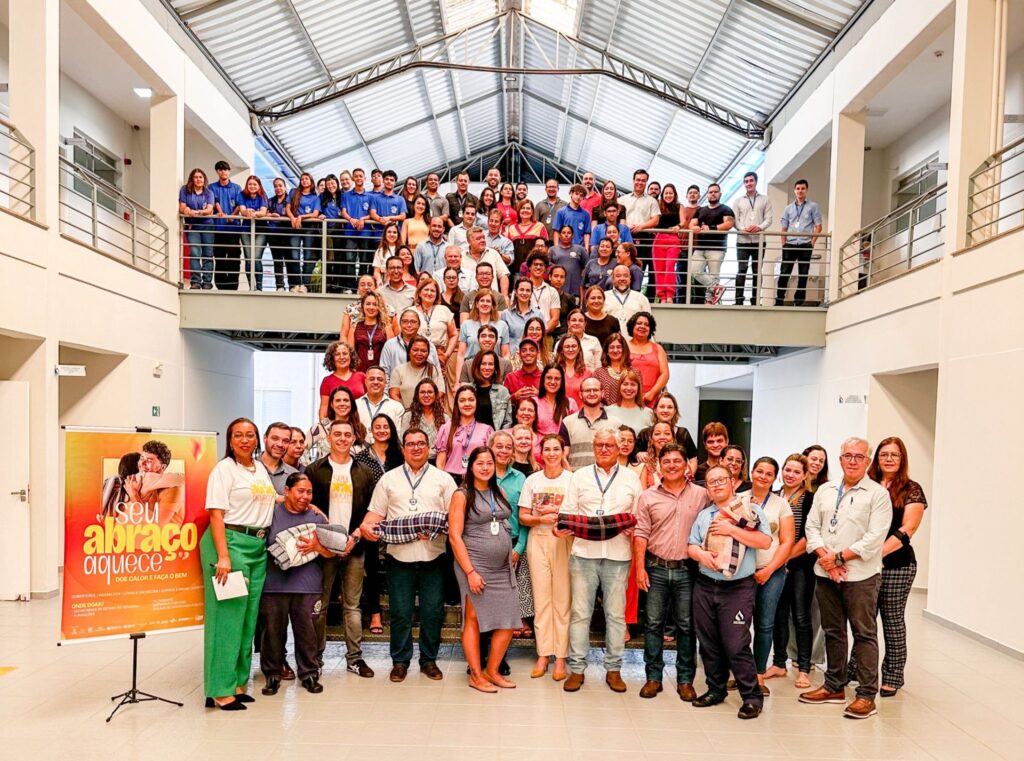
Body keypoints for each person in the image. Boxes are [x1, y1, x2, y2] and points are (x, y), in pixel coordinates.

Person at [800, 437, 892, 719]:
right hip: (825, 572)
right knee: (833, 631)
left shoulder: (877, 495)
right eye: (847, 455)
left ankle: (866, 695)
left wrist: (838, 558)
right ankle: (834, 686)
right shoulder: (826, 490)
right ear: (839, 459)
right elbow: (811, 527)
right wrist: (825, 559)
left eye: (859, 457)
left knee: (864, 633)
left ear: (867, 461)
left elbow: (874, 539)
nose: (852, 461)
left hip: (860, 577)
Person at [361, 428, 457, 683]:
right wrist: (365, 529)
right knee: (401, 611)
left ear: (429, 448)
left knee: (432, 611)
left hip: (433, 555)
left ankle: (428, 660)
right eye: (411, 444)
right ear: (403, 448)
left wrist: (438, 529)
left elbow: (455, 519)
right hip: (398, 557)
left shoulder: (443, 479)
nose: (416, 448)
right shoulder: (388, 479)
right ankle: (400, 662)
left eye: (421, 444)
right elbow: (373, 517)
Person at [201, 418, 276, 710]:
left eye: (250, 435)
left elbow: (264, 499)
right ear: (230, 441)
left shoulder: (258, 469)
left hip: (257, 547)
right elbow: (216, 514)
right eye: (238, 436)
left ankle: (237, 682)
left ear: (257, 439)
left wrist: (296, 502)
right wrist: (223, 556)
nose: (245, 440)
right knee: (227, 619)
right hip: (230, 544)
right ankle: (219, 689)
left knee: (247, 620)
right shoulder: (224, 470)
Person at [687, 465, 772, 719]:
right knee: (709, 643)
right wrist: (701, 554)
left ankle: (752, 697)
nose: (716, 484)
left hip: (737, 588)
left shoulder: (750, 511)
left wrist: (731, 529)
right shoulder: (704, 516)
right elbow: (691, 545)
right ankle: (716, 689)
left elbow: (765, 542)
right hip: (705, 585)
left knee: (736, 644)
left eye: (721, 480)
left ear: (733, 482)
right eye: (711, 482)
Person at [562, 429, 642, 693]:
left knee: (616, 616)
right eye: (599, 445)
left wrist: (632, 526)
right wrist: (561, 527)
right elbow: (569, 514)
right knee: (580, 614)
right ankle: (576, 669)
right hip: (583, 554)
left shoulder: (632, 478)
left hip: (618, 555)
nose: (604, 449)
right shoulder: (579, 476)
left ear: (620, 448)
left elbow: (637, 516)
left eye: (609, 445)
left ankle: (614, 669)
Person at [850, 437, 927, 698]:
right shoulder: (865, 486)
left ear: (902, 458)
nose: (889, 459)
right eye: (884, 454)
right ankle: (857, 670)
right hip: (863, 564)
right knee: (863, 621)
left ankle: (893, 676)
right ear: (876, 458)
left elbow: (909, 529)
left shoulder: (912, 489)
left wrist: (874, 552)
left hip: (897, 565)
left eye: (894, 455)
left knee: (892, 621)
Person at [634, 443, 710, 701]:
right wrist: (639, 567)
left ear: (686, 464)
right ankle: (653, 678)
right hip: (655, 567)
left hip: (687, 570)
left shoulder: (702, 495)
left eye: (677, 461)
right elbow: (640, 533)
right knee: (653, 625)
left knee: (687, 626)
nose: (672, 465)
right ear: (660, 465)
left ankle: (685, 680)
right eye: (666, 461)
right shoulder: (647, 496)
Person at [305, 420, 376, 680]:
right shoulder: (314, 470)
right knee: (319, 605)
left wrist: (355, 539)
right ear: (329, 437)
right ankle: (315, 659)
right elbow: (306, 506)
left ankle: (354, 659)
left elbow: (372, 510)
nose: (343, 439)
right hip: (322, 549)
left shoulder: (364, 472)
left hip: (354, 548)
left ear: (354, 438)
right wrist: (318, 541)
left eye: (348, 434)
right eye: (338, 434)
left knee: (353, 606)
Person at [449, 446, 519, 692]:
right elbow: (455, 537)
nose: (486, 467)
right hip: (474, 565)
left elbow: (504, 522)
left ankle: (492, 670)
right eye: (480, 463)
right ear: (471, 466)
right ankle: (476, 675)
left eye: (490, 463)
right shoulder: (461, 494)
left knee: (509, 620)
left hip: (502, 567)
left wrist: (507, 546)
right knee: (473, 620)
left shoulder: (497, 490)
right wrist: (470, 572)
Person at [259, 473, 332, 696]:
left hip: (307, 585)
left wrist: (317, 548)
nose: (305, 496)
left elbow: (332, 552)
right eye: (300, 491)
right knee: (272, 632)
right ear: (287, 491)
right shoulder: (270, 515)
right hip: (274, 585)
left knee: (307, 632)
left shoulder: (317, 517)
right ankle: (272, 674)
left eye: (309, 492)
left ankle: (309, 673)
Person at [519, 434, 573, 680]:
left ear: (564, 452)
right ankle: (543, 654)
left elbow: (579, 515)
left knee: (562, 600)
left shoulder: (573, 481)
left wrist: (557, 513)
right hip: (538, 540)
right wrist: (541, 517)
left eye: (556, 449)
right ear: (541, 452)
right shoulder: (532, 480)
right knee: (542, 600)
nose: (551, 453)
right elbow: (523, 517)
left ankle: (560, 657)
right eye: (547, 449)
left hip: (563, 540)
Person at [765, 453, 816, 689]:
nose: (790, 475)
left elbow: (809, 536)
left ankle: (804, 667)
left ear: (805, 475)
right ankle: (778, 663)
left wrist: (784, 557)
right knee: (777, 615)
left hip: (799, 565)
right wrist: (776, 560)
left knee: (800, 616)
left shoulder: (810, 500)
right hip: (776, 563)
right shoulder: (772, 497)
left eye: (796, 471)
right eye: (787, 469)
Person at [748, 456, 794, 695]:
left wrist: (768, 570)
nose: (763, 476)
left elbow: (787, 542)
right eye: (759, 471)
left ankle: (758, 676)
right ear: (751, 472)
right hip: (742, 574)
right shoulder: (739, 499)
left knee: (765, 625)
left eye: (768, 474)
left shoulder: (781, 504)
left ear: (773, 478)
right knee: (740, 626)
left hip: (772, 572)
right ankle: (741, 673)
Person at [491, 431, 531, 639]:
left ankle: (505, 646)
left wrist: (519, 548)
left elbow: (525, 517)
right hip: (487, 544)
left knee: (512, 593)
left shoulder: (520, 478)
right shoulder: (481, 474)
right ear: (490, 448)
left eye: (508, 447)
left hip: (513, 541)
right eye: (499, 446)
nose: (504, 450)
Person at [777, 178, 823, 307]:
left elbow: (818, 226)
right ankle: (779, 299)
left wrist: (812, 243)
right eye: (798, 189)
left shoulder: (813, 206)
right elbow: (783, 228)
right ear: (794, 191)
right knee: (784, 273)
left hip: (805, 244)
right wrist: (783, 244)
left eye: (802, 188)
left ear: (806, 190)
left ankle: (799, 301)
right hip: (790, 244)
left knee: (803, 274)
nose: (800, 191)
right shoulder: (788, 208)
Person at [558, 377, 621, 470]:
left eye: (595, 390)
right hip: (577, 479)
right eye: (587, 390)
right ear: (580, 394)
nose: (592, 393)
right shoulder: (568, 422)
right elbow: (562, 455)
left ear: (602, 393)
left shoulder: (616, 423)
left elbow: (620, 455)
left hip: (606, 479)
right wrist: (571, 476)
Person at [436, 385, 496, 482]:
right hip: (451, 479)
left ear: (477, 402)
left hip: (478, 480)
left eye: (471, 400)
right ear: (457, 404)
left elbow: (491, 461)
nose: (467, 404)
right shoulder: (446, 428)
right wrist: (443, 482)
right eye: (462, 400)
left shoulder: (487, 430)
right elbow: (440, 462)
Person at [688, 182, 735, 305]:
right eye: (710, 192)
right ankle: (716, 287)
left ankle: (709, 301)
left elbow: (728, 224)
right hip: (700, 247)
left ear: (720, 194)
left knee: (714, 274)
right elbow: (691, 224)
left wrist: (712, 228)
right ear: (707, 195)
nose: (713, 194)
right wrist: (695, 228)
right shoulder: (701, 210)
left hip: (717, 248)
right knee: (694, 270)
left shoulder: (726, 209)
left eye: (715, 192)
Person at [733, 171, 773, 306]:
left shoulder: (765, 199)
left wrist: (759, 227)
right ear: (744, 184)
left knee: (757, 271)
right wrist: (743, 228)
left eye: (751, 181)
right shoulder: (738, 201)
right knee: (742, 270)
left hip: (759, 241)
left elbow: (769, 219)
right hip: (742, 240)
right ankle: (738, 300)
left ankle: (755, 301)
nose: (749, 183)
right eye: (746, 181)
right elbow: (735, 220)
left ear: (755, 182)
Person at [619, 169, 661, 298]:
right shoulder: (622, 199)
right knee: (624, 266)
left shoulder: (652, 201)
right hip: (626, 237)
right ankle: (623, 294)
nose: (640, 182)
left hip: (644, 237)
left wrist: (641, 226)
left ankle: (641, 297)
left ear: (646, 182)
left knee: (641, 267)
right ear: (633, 181)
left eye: (643, 180)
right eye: (638, 180)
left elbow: (655, 220)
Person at [455, 291, 510, 383]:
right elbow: (461, 355)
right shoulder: (466, 324)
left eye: (488, 301)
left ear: (493, 305)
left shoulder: (502, 325)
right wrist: (458, 381)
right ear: (476, 304)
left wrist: (503, 377)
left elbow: (505, 354)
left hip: (493, 369)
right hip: (471, 368)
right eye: (482, 301)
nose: (485, 304)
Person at [209, 160, 245, 291]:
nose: (223, 172)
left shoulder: (237, 188)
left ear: (229, 171)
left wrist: (231, 216)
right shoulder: (212, 187)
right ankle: (221, 286)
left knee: (234, 259)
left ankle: (233, 286)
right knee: (219, 258)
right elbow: (214, 201)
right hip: (218, 229)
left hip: (234, 229)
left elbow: (239, 204)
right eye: (220, 169)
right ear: (217, 172)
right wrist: (220, 212)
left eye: (225, 169)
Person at [307, 386, 366, 466]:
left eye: (346, 400)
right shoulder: (320, 427)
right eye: (338, 400)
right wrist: (309, 468)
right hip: (324, 476)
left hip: (354, 476)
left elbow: (369, 455)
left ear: (351, 404)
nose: (342, 404)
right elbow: (302, 448)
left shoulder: (360, 429)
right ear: (331, 404)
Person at [285, 171, 323, 293]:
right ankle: (296, 284)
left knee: (307, 257)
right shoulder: (293, 192)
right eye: (302, 179)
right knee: (294, 256)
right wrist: (292, 218)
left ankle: (304, 285)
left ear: (311, 182)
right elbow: (287, 208)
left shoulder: (314, 198)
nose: (304, 181)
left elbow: (315, 213)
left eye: (307, 179)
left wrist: (301, 217)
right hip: (295, 228)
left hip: (308, 229)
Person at [180, 168, 216, 290]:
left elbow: (209, 210)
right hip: (193, 226)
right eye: (196, 177)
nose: (198, 179)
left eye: (201, 177)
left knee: (207, 254)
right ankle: (195, 282)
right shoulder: (185, 190)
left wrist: (197, 212)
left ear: (204, 179)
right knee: (194, 253)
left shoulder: (209, 193)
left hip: (207, 226)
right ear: (192, 179)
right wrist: (187, 210)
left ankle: (207, 282)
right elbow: (182, 207)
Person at [412, 279, 457, 374]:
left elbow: (454, 334)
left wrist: (447, 354)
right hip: (417, 354)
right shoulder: (411, 312)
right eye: (426, 289)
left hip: (439, 355)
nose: (429, 293)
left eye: (433, 291)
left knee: (438, 386)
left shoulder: (444, 310)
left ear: (437, 294)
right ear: (419, 292)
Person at [380, 309, 440, 380]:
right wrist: (387, 391)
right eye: (405, 321)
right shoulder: (390, 345)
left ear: (419, 324)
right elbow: (384, 373)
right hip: (397, 388)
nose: (409, 325)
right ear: (400, 324)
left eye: (413, 322)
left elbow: (437, 372)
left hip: (423, 389)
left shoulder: (429, 345)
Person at [389, 334, 446, 407]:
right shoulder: (398, 370)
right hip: (404, 413)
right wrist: (406, 412)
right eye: (415, 350)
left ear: (428, 353)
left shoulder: (433, 370)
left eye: (423, 351)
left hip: (428, 413)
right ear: (409, 352)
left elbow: (440, 393)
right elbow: (394, 395)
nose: (419, 353)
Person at [399, 378, 448, 463]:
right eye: (422, 392)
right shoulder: (408, 417)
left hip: (439, 463)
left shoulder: (445, 418)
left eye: (429, 392)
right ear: (417, 395)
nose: (426, 395)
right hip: (414, 461)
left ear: (435, 394)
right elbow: (403, 442)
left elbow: (447, 445)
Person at [625, 312, 669, 407]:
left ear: (650, 329)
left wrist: (652, 393)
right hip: (628, 398)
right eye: (639, 323)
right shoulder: (624, 347)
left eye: (646, 324)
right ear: (632, 326)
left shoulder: (658, 348)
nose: (642, 326)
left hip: (652, 400)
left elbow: (665, 374)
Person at [341, 167, 376, 284]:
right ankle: (350, 286)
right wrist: (350, 219)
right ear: (352, 178)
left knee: (364, 260)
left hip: (365, 233)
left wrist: (363, 219)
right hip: (350, 233)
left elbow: (372, 214)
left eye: (361, 176)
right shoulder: (346, 195)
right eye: (356, 176)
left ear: (365, 178)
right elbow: (343, 211)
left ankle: (362, 286)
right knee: (349, 259)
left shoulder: (371, 197)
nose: (358, 178)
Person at [235, 175, 269, 291]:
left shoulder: (263, 196)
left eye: (255, 184)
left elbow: (263, 212)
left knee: (256, 258)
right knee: (249, 259)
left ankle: (259, 287)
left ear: (259, 186)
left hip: (261, 230)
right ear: (247, 185)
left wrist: (255, 213)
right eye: (250, 184)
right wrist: (247, 211)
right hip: (245, 230)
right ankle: (251, 287)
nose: (252, 186)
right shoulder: (242, 195)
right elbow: (242, 210)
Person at [651, 184, 684, 303]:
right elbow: (653, 220)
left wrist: (678, 226)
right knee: (658, 269)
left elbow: (683, 221)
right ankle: (662, 297)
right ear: (662, 194)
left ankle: (670, 295)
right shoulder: (658, 205)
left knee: (669, 267)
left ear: (674, 194)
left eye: (671, 193)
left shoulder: (679, 206)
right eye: (666, 193)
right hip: (659, 239)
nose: (668, 195)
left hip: (673, 239)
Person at [355, 366, 405, 443]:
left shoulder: (397, 407)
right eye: (372, 379)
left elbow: (398, 436)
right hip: (359, 450)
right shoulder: (355, 405)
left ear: (385, 383)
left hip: (388, 452)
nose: (375, 382)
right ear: (365, 382)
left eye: (380, 379)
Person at [319, 341, 365, 420]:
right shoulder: (327, 381)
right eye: (337, 354)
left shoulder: (362, 377)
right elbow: (323, 412)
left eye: (345, 353)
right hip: (338, 426)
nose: (342, 357)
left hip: (360, 423)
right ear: (332, 358)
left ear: (351, 356)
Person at [348, 292, 393, 371]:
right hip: (359, 373)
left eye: (375, 304)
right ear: (362, 306)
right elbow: (350, 353)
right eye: (368, 304)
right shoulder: (354, 327)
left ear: (379, 307)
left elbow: (391, 353)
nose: (371, 307)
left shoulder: (386, 327)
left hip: (380, 373)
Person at [470, 351, 513, 430]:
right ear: (477, 366)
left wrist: (499, 438)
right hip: (471, 438)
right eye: (483, 364)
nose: (487, 368)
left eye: (490, 364)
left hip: (495, 439)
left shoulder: (502, 391)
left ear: (495, 368)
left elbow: (507, 421)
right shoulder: (468, 390)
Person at [605, 265, 652, 337]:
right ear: (612, 279)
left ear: (630, 278)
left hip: (635, 344)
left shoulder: (641, 299)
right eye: (618, 276)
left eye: (625, 276)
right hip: (611, 345)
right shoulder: (604, 297)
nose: (622, 278)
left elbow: (648, 325)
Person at [673, 184, 701, 304]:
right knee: (682, 279)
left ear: (699, 195)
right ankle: (681, 303)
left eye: (695, 192)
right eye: (690, 192)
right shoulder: (681, 210)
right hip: (682, 248)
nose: (693, 194)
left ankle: (700, 304)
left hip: (697, 249)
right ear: (686, 195)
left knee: (698, 278)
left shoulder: (702, 210)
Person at [263, 177, 292, 291]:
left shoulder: (290, 201)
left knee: (289, 259)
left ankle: (292, 285)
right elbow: (265, 213)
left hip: (287, 234)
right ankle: (280, 286)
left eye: (280, 186)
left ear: (285, 187)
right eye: (275, 186)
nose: (278, 188)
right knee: (277, 260)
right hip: (274, 234)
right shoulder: (270, 201)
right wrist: (271, 215)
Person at [523, 252, 561, 335]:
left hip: (546, 336)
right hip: (523, 335)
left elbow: (555, 318)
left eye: (541, 265)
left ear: (545, 268)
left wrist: (541, 334)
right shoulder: (520, 290)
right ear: (529, 267)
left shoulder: (552, 291)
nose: (538, 267)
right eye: (535, 264)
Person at [606, 370, 654, 435]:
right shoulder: (607, 411)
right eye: (625, 384)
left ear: (638, 388)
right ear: (619, 387)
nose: (629, 388)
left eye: (633, 384)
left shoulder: (648, 413)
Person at [501, 279, 542, 355]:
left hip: (533, 356)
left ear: (531, 293)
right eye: (521, 290)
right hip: (512, 357)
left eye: (528, 290)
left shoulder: (538, 314)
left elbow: (542, 340)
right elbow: (503, 341)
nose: (524, 293)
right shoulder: (506, 314)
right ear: (516, 292)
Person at [536, 364, 578, 437]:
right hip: (538, 446)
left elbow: (576, 430)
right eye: (549, 378)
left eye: (557, 379)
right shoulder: (534, 402)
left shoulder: (570, 403)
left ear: (562, 382)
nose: (553, 382)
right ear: (543, 380)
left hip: (563, 447)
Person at [592, 333, 631, 406]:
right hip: (606, 414)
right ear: (607, 351)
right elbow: (595, 397)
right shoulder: (598, 373)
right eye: (612, 347)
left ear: (624, 350)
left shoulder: (634, 372)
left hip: (629, 413)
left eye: (619, 347)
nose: (615, 350)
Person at [549, 224, 587, 298]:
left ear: (572, 235)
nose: (566, 235)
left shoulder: (580, 249)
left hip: (575, 291)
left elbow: (587, 266)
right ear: (559, 235)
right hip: (556, 291)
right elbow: (548, 269)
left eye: (569, 233)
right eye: (563, 233)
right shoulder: (552, 250)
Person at [258, 424, 298, 496]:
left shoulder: (294, 475)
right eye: (275, 438)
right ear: (265, 438)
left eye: (285, 441)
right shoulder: (248, 468)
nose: (280, 444)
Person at [554, 334, 591, 407]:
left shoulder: (587, 372)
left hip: (580, 415)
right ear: (561, 350)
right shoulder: (554, 371)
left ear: (578, 349)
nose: (570, 350)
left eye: (573, 346)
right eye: (567, 347)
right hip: (557, 414)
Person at [504, 338, 542, 404]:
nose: (528, 353)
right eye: (524, 350)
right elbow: (503, 403)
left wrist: (540, 396)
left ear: (537, 354)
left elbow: (553, 402)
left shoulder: (545, 377)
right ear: (519, 355)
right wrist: (515, 397)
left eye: (532, 350)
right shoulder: (510, 377)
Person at [553, 184, 591, 250]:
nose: (578, 197)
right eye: (576, 194)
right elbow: (556, 231)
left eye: (581, 195)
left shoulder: (586, 214)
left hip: (579, 248)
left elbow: (586, 233)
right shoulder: (561, 212)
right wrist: (556, 248)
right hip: (563, 248)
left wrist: (586, 249)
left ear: (583, 198)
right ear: (571, 194)